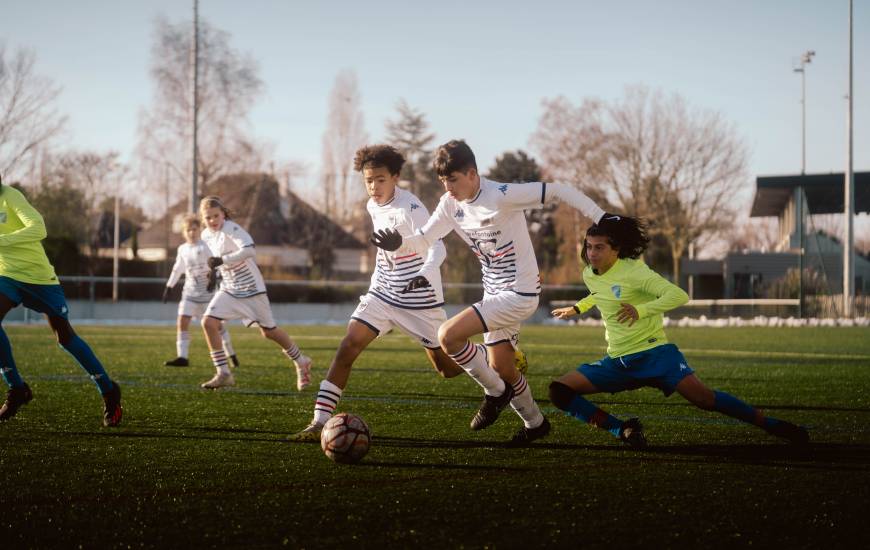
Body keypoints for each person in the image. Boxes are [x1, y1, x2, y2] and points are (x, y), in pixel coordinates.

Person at [370, 139, 612, 446]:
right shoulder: (449, 205)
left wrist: (602, 218)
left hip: (520, 294)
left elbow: (558, 190)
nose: (448, 188)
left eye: (453, 180)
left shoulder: (501, 195)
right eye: (443, 181)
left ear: (472, 174)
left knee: (448, 337)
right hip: (494, 296)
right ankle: (535, 423)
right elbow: (423, 240)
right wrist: (399, 244)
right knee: (501, 366)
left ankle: (495, 393)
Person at [549, 217, 809, 447]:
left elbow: (678, 295)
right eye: (588, 246)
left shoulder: (635, 271)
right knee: (559, 391)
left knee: (705, 399)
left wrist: (641, 310)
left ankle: (771, 424)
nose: (591, 253)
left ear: (616, 249)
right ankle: (623, 429)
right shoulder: (589, 273)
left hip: (656, 355)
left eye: (599, 247)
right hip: (619, 361)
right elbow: (599, 292)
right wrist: (577, 308)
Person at [288, 144, 475, 440]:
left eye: (380, 180)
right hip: (382, 291)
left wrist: (424, 274)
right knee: (348, 346)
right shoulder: (372, 205)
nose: (374, 187)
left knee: (448, 370)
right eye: (369, 181)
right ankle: (320, 422)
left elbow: (437, 246)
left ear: (396, 176)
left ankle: (494, 358)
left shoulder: (410, 207)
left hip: (417, 298)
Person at [0, 175, 122, 426]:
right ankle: (17, 389)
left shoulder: (10, 196)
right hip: (7, 276)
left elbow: (39, 228)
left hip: (40, 278)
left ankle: (108, 390)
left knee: (64, 337)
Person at [197, 196, 312, 390]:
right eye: (208, 218)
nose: (212, 221)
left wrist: (221, 261)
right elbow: (217, 260)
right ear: (203, 219)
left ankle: (301, 361)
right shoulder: (206, 235)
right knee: (208, 322)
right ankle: (223, 373)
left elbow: (249, 251)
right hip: (230, 289)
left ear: (223, 214)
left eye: (216, 216)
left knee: (269, 332)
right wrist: (213, 273)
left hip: (252, 290)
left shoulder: (232, 229)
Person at [162, 214, 238, 368]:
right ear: (184, 232)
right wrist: (169, 286)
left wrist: (213, 279)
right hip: (189, 293)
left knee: (217, 326)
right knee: (182, 321)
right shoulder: (182, 249)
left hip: (208, 295)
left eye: (194, 229)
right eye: (188, 230)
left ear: (199, 230)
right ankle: (182, 357)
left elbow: (215, 264)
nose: (191, 232)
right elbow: (178, 269)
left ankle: (231, 353)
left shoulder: (205, 246)